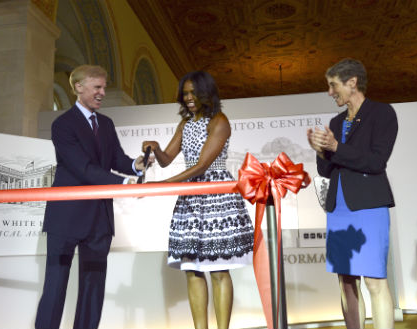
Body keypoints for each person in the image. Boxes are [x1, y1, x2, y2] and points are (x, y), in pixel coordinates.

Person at [35, 65, 147, 329]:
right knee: (55, 288)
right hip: (66, 218)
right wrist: (124, 182)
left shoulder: (106, 124)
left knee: (93, 290)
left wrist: (135, 166)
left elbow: (116, 158)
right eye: (97, 87)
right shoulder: (62, 125)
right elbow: (81, 167)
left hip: (99, 219)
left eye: (104, 87)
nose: (102, 93)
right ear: (78, 87)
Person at [142, 71, 254, 329]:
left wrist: (163, 185)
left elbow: (203, 165)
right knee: (192, 269)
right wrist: (156, 147)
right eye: (186, 93)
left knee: (218, 269)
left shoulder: (219, 121)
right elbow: (167, 159)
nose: (189, 98)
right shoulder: (186, 124)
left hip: (216, 196)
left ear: (207, 93)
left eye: (194, 93)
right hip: (191, 198)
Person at [307, 58, 398, 329]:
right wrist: (320, 150)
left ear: (352, 82)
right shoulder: (335, 121)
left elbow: (376, 162)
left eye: (333, 85)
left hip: (369, 206)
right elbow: (326, 170)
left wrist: (336, 147)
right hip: (339, 208)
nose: (330, 92)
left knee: (374, 280)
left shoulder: (382, 114)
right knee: (345, 280)